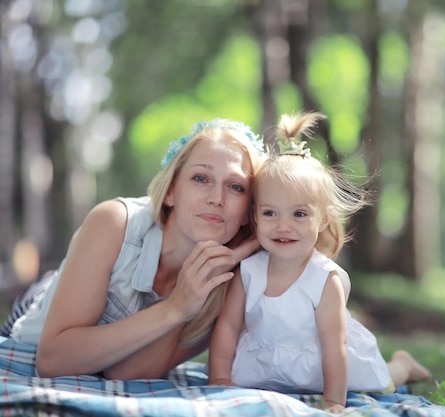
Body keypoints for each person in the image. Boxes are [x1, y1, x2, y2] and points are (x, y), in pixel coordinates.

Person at [1, 118, 266, 380]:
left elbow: (127, 373)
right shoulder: (113, 221)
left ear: (247, 211)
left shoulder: (231, 283)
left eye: (235, 187)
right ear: (171, 191)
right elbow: (52, 361)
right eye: (200, 178)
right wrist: (174, 306)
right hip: (34, 315)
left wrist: (188, 302)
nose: (216, 198)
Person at [208, 112, 431, 413]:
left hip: (325, 367)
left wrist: (334, 402)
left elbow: (333, 345)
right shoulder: (249, 271)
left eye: (299, 214)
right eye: (270, 213)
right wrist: (219, 378)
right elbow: (228, 327)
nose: (283, 226)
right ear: (254, 217)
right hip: (265, 367)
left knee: (380, 380)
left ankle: (403, 365)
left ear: (322, 218)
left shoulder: (325, 279)